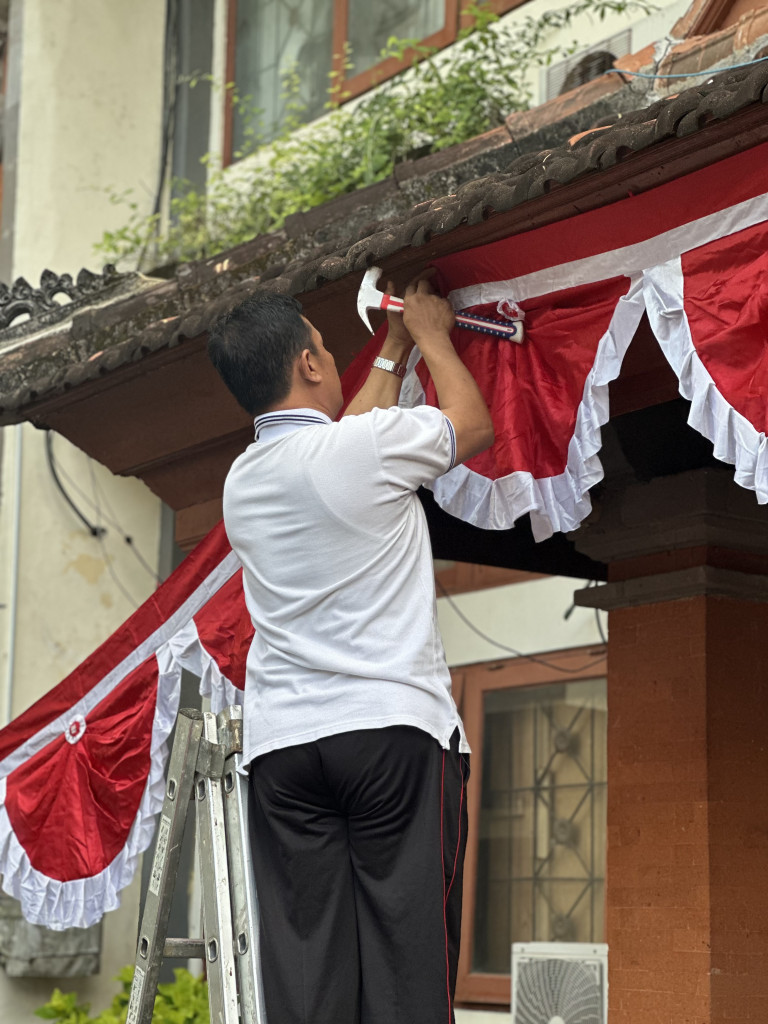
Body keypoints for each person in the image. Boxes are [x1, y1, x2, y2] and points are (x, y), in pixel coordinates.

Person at [207, 275, 494, 1024]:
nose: (336, 360)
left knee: (308, 976)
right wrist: (431, 334)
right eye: (328, 348)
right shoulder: (363, 451)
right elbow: (471, 425)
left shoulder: (241, 482)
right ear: (307, 363)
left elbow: (340, 446)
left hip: (286, 751)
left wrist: (391, 353)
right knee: (406, 965)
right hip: (389, 735)